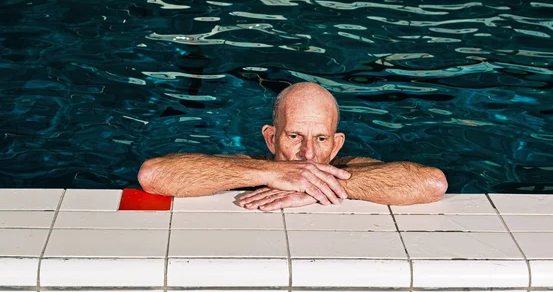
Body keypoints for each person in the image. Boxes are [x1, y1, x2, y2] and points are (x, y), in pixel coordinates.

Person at [138, 82, 448, 211]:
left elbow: (432, 183)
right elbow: (153, 175)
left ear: (337, 144)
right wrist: (271, 173)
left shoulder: (352, 167)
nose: (308, 154)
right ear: (271, 137)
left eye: (321, 139)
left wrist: (315, 186)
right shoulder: (246, 165)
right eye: (294, 136)